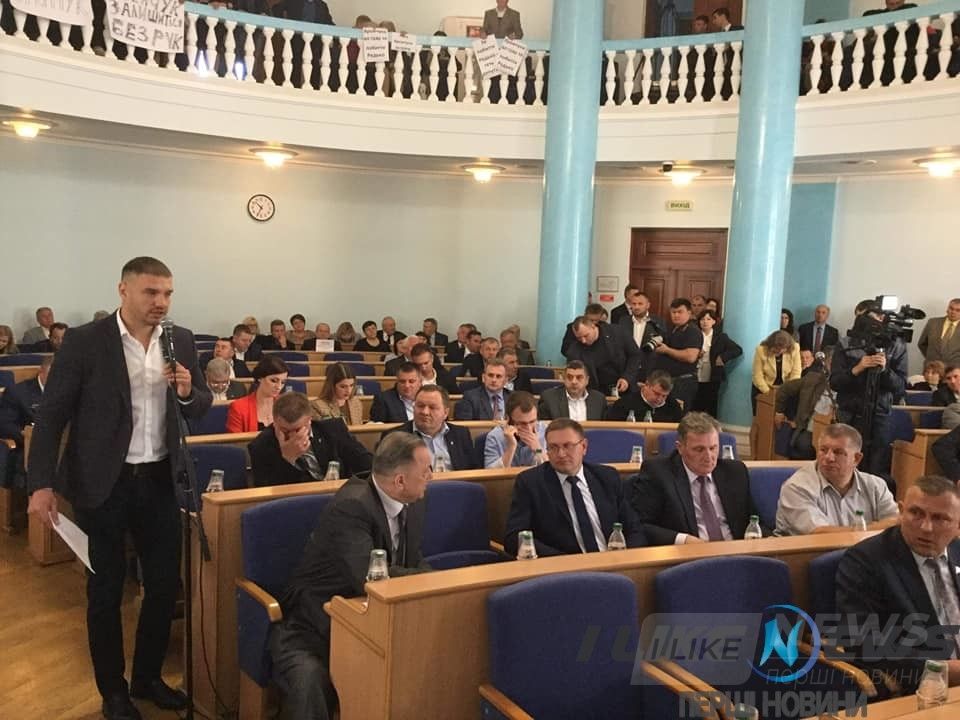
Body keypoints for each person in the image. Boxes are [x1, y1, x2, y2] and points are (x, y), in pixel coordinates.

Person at [27, 257, 212, 720]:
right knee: (106, 590)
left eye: (167, 293)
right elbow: (52, 417)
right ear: (123, 290)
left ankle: (148, 677)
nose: (161, 302)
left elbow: (200, 405)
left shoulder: (180, 340)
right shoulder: (86, 341)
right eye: (151, 292)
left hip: (160, 479)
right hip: (103, 483)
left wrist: (187, 391)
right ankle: (113, 691)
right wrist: (41, 484)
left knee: (164, 585)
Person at [268, 431, 431, 720]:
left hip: (373, 621)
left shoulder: (413, 501)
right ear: (400, 481)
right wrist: (428, 577)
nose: (431, 476)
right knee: (310, 683)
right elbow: (368, 578)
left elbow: (413, 559)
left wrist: (432, 578)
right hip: (315, 625)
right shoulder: (353, 506)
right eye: (425, 471)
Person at [836, 475, 960, 694]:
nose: (926, 527)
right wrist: (941, 669)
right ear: (901, 511)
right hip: (925, 688)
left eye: (940, 518)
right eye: (916, 513)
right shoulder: (866, 560)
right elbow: (863, 642)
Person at [503, 419, 647, 557]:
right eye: (553, 447)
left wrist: (625, 558)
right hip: (564, 568)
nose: (561, 454)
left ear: (584, 446)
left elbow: (635, 528)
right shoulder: (531, 483)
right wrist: (566, 562)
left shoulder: (607, 477)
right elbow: (514, 537)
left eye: (568, 446)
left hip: (614, 562)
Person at [631, 412, 764, 545]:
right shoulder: (658, 473)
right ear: (680, 448)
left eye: (713, 448)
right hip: (689, 554)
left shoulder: (735, 472)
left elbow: (754, 521)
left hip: (736, 550)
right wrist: (683, 540)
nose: (708, 457)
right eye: (699, 449)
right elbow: (640, 525)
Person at [774, 423, 899, 536]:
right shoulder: (797, 486)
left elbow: (897, 524)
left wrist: (884, 527)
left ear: (856, 459)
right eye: (823, 450)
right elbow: (819, 535)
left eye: (838, 452)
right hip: (809, 553)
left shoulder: (876, 486)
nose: (829, 458)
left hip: (863, 552)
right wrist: (875, 528)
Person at [831, 304, 908, 478]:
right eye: (876, 316)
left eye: (883, 316)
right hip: (850, 413)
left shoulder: (896, 345)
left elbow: (900, 386)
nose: (880, 320)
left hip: (880, 414)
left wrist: (885, 371)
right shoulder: (846, 343)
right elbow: (835, 382)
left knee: (875, 468)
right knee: (843, 464)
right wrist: (857, 369)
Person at [248, 392, 371, 486]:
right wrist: (288, 459)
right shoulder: (260, 445)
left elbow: (367, 464)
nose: (292, 436)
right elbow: (265, 493)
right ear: (274, 422)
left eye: (297, 430)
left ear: (309, 421)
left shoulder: (333, 429)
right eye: (284, 430)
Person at [384, 386, 476, 470]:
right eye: (420, 406)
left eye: (432, 407)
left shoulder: (461, 434)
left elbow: (472, 470)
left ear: (445, 413)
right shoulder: (394, 437)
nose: (425, 412)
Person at [774, 348, 836, 459]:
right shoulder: (813, 378)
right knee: (804, 444)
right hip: (809, 429)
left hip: (834, 432)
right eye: (831, 362)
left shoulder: (848, 389)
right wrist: (779, 412)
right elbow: (784, 389)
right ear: (826, 364)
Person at [649, 298, 704, 413]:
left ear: (689, 312)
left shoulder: (692, 331)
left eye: (680, 312)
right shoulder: (673, 328)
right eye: (673, 312)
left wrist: (667, 350)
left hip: (683, 381)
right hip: (668, 380)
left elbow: (690, 357)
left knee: (678, 414)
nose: (676, 315)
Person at [563, 316, 640, 396]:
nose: (583, 341)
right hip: (596, 392)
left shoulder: (617, 332)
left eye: (586, 336)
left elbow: (635, 355)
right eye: (579, 338)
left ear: (593, 326)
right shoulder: (575, 349)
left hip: (625, 387)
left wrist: (626, 377)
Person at [692, 309, 742, 417]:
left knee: (711, 402)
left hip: (713, 373)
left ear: (714, 321)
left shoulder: (720, 337)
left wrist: (722, 357)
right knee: (696, 402)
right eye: (702, 319)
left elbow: (737, 349)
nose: (705, 322)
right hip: (696, 372)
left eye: (708, 319)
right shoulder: (694, 335)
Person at [484, 391, 547, 468]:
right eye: (522, 423)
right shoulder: (495, 436)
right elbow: (490, 473)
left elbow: (552, 469)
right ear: (508, 419)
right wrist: (511, 447)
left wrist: (538, 449)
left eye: (532, 421)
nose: (529, 428)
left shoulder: (545, 431)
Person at [226, 355, 289, 433]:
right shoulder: (238, 408)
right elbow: (236, 440)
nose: (279, 387)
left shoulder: (286, 405)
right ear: (260, 378)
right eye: (274, 381)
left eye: (283, 382)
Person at [0, 354, 52, 445]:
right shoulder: (17, 392)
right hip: (29, 445)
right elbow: (5, 425)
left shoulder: (68, 391)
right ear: (41, 372)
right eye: (52, 376)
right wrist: (27, 435)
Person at [751, 330, 802, 413]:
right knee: (762, 415)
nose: (779, 351)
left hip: (785, 389)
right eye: (776, 349)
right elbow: (757, 376)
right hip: (763, 387)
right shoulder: (761, 350)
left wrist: (788, 390)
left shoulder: (795, 348)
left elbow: (796, 373)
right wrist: (769, 393)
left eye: (782, 349)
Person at [538, 360, 607, 421]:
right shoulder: (549, 398)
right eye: (569, 377)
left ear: (587, 380)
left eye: (579, 377)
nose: (574, 382)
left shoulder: (599, 400)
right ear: (564, 379)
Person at [616, 290, 665, 372]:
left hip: (650, 369)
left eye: (640, 304)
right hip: (627, 368)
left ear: (648, 305)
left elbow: (663, 344)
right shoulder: (623, 321)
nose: (637, 307)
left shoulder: (658, 322)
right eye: (634, 304)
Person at [607, 370, 683, 423]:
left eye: (664, 396)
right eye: (656, 394)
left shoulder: (674, 406)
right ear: (646, 385)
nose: (659, 399)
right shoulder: (624, 404)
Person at [918, 298, 960, 367]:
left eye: (958, 310)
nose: (953, 312)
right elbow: (922, 344)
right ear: (947, 309)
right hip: (931, 368)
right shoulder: (932, 322)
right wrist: (931, 358)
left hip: (955, 370)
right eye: (951, 308)